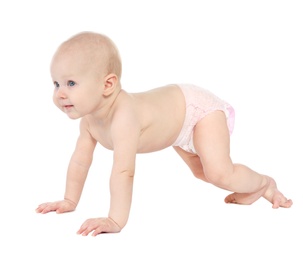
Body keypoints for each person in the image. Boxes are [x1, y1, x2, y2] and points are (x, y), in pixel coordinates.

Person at [36, 31, 293, 236]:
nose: (60, 93)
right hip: (175, 123)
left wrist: (116, 219)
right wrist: (69, 200)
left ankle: (265, 185)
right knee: (201, 172)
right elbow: (80, 161)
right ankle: (253, 190)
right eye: (56, 83)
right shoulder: (90, 119)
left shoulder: (123, 117)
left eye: (71, 83)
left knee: (219, 172)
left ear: (108, 84)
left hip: (196, 109)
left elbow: (124, 171)